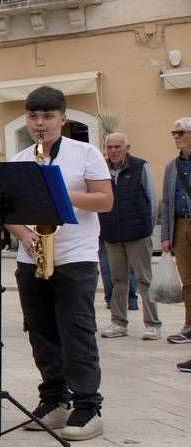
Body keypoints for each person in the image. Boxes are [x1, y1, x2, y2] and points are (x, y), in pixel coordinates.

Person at [7, 87, 112, 441]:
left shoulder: (85, 153)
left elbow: (105, 200)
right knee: (40, 331)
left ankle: (88, 404)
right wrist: (23, 234)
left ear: (62, 119)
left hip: (75, 255)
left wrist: (58, 192)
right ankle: (54, 398)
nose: (40, 124)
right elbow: (8, 209)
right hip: (32, 254)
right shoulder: (20, 159)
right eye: (33, 117)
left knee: (75, 330)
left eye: (48, 117)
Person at [99, 132, 160, 342]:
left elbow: (152, 199)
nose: (113, 151)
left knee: (144, 279)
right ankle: (118, 323)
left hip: (137, 233)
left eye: (118, 147)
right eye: (110, 147)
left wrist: (147, 229)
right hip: (112, 233)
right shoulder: (101, 170)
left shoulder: (140, 166)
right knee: (118, 280)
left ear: (127, 147)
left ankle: (152, 324)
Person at [163, 116, 191, 358]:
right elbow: (166, 202)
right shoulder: (172, 167)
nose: (176, 137)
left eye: (180, 133)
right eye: (174, 133)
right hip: (180, 225)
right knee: (187, 280)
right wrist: (165, 235)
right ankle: (189, 325)